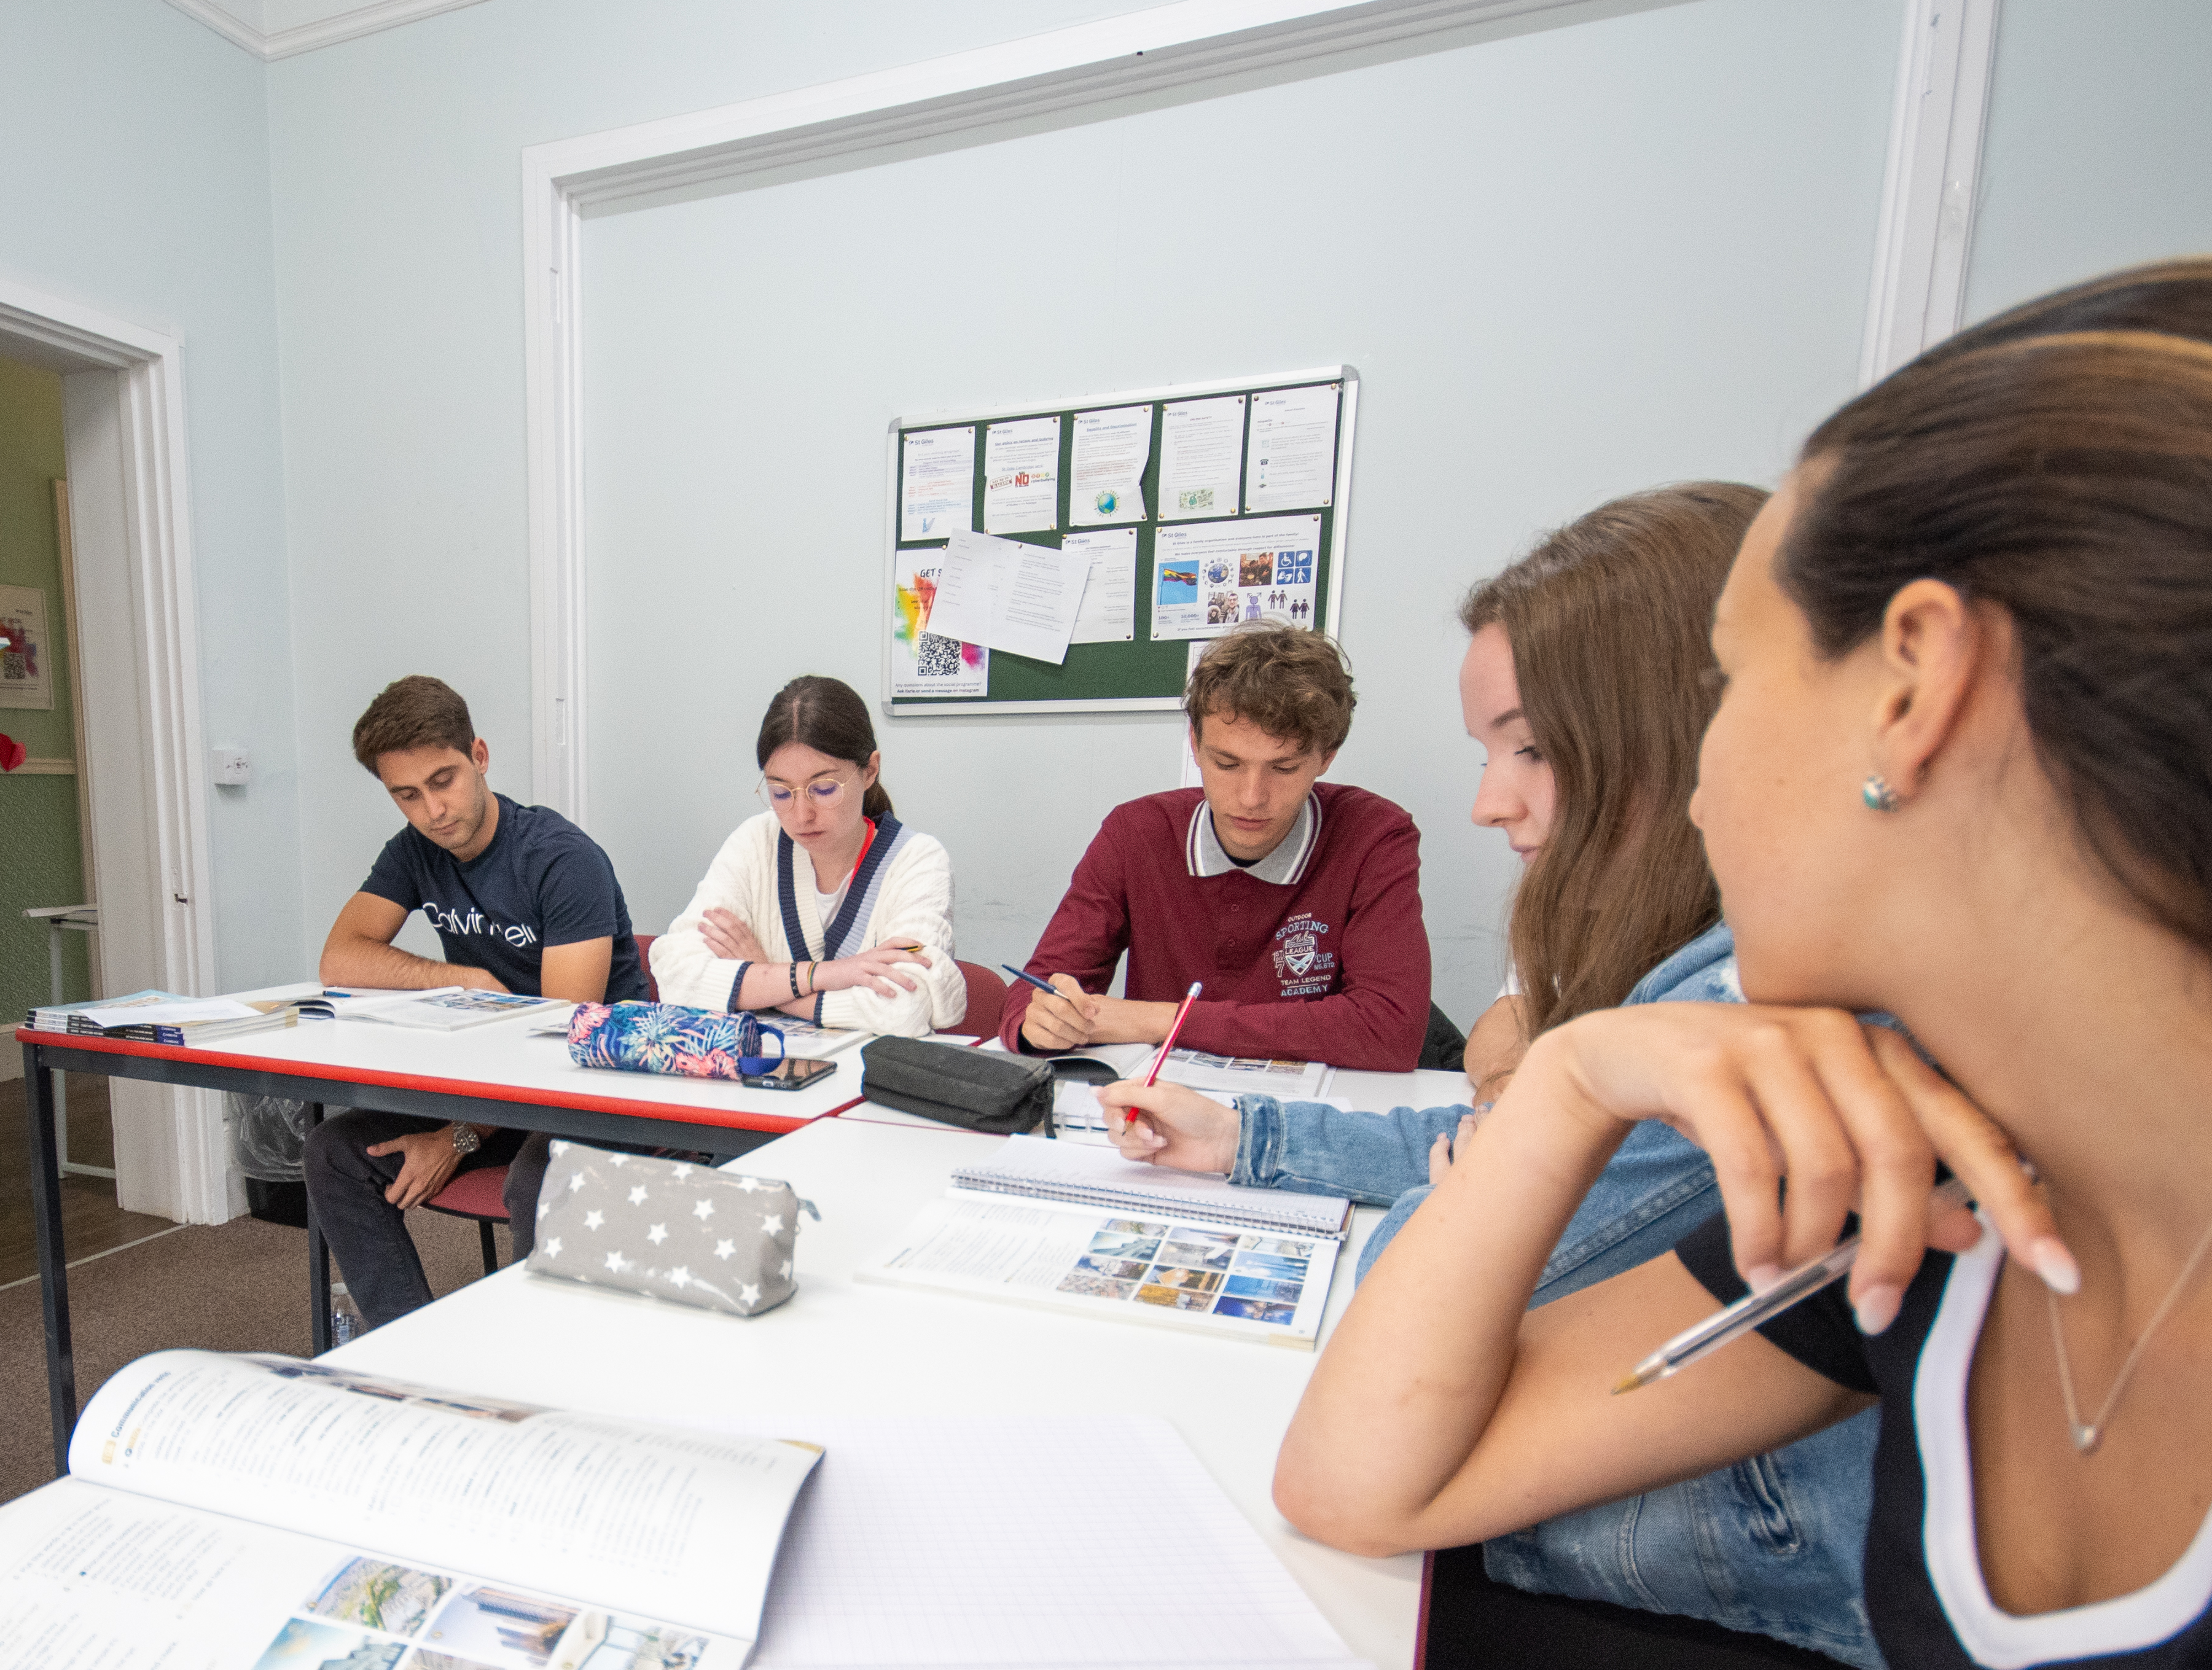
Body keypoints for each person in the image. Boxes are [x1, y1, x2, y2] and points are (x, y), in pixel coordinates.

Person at [1280, 257, 2212, 1669]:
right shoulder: (1945, 1199)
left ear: (1912, 685)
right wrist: (1578, 1070)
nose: (1704, 783)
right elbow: (1354, 1476)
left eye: (1735, 673)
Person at [1103, 485, 1883, 1666]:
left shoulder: (1756, 1003)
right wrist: (1242, 1134)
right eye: (1485, 750)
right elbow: (1496, 1136)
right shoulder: (1697, 963)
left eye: (1527, 745)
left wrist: (1500, 1147)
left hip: (1710, 1582)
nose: (1489, 799)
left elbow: (1412, 1294)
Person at [307, 674, 644, 1333]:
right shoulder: (415, 853)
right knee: (332, 1152)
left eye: (444, 780)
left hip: (596, 1087)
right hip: (494, 1089)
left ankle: (533, 1375)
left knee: (536, 1179)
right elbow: (340, 958)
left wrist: (457, 1138)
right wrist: (461, 977)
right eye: (407, 794)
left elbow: (558, 1041)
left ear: (479, 756)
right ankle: (409, 1351)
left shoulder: (560, 858)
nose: (433, 809)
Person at [1001, 623, 1428, 1069]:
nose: (1251, 797)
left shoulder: (1375, 836)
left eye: (1283, 768)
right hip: (1151, 1115)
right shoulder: (1136, 832)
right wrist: (1043, 1020)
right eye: (1227, 763)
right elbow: (1032, 992)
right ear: (1196, 744)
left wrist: (1161, 1021)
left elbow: (1391, 1030)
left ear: (1327, 755)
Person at [652, 674, 967, 1035]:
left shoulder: (917, 861)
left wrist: (768, 981)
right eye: (781, 792)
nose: (801, 815)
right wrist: (823, 975)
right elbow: (676, 974)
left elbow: (904, 1008)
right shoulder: (756, 842)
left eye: (824, 788)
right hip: (761, 1079)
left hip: (868, 1083)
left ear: (870, 771)